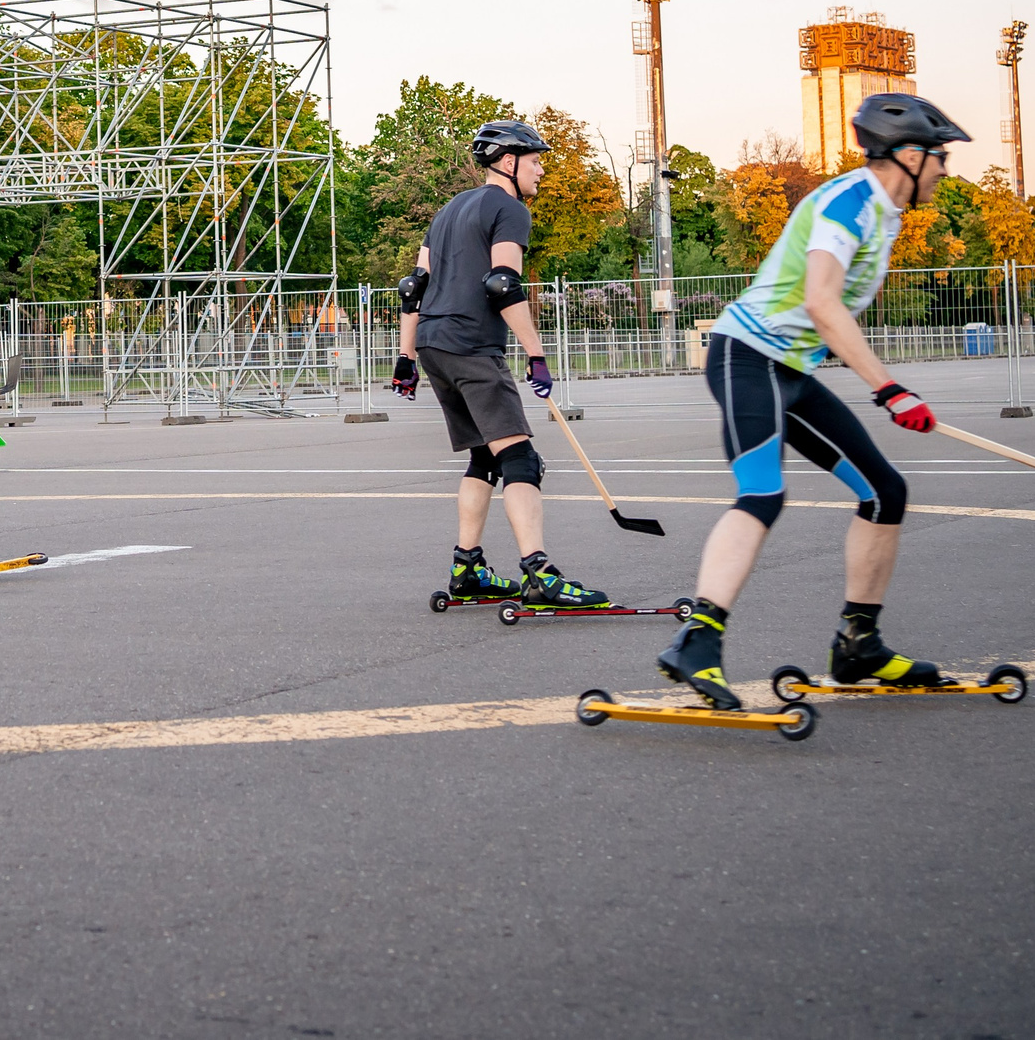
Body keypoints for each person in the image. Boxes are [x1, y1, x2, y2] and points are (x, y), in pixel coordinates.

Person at [656, 93, 972, 710]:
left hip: (791, 369)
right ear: (908, 154)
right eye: (939, 158)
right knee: (763, 493)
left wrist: (887, 385)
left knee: (886, 492)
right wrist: (890, 388)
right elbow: (823, 302)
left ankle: (859, 644)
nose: (943, 170)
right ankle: (696, 642)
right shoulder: (846, 204)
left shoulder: (885, 214)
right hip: (746, 357)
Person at [394, 119, 608, 611]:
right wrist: (536, 353)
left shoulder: (448, 210)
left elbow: (413, 288)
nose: (541, 172)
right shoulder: (509, 209)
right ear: (508, 162)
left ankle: (467, 567)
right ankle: (539, 572)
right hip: (471, 345)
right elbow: (502, 285)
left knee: (484, 456)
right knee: (520, 458)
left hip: (433, 346)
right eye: (535, 162)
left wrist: (406, 357)